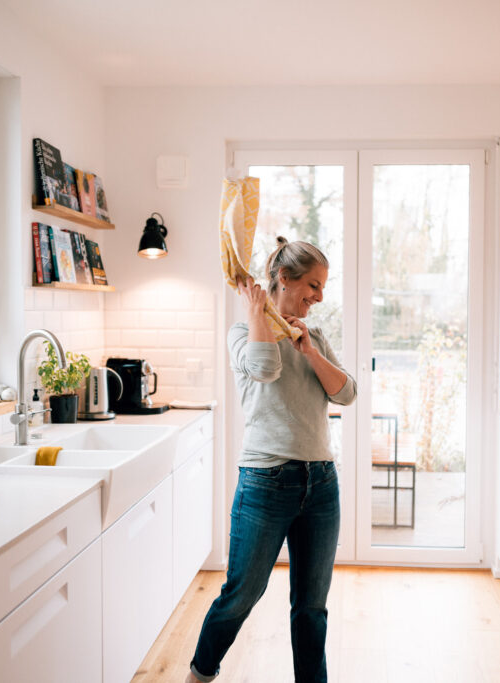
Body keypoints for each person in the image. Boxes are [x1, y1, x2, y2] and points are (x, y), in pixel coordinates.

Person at [187, 237, 356, 683]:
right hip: (266, 482)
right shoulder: (242, 332)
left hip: (321, 483)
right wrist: (256, 313)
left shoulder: (314, 337)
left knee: (312, 606)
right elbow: (265, 369)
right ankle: (199, 675)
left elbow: (347, 393)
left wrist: (310, 351)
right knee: (241, 594)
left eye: (322, 287)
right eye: (314, 285)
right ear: (284, 278)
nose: (319, 297)